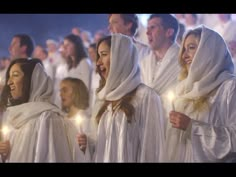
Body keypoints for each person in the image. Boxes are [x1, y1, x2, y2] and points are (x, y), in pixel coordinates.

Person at [78, 34, 165, 162]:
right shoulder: (106, 98)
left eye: (104, 54)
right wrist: (88, 144)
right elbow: (106, 148)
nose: (98, 62)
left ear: (121, 58)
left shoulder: (146, 97)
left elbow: (152, 150)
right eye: (98, 56)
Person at [166, 25, 236, 162]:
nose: (184, 55)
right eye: (184, 49)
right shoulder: (182, 90)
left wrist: (192, 127)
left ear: (208, 51)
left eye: (191, 47)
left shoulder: (229, 87)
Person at [0, 58, 82, 162]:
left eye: (15, 75)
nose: (8, 82)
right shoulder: (17, 118)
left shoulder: (47, 117)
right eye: (9, 77)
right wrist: (5, 155)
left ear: (32, 80)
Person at [140, 14, 180, 133]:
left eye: (153, 27)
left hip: (172, 127)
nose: (147, 32)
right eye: (147, 28)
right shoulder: (144, 63)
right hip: (147, 127)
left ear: (169, 32)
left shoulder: (182, 61)